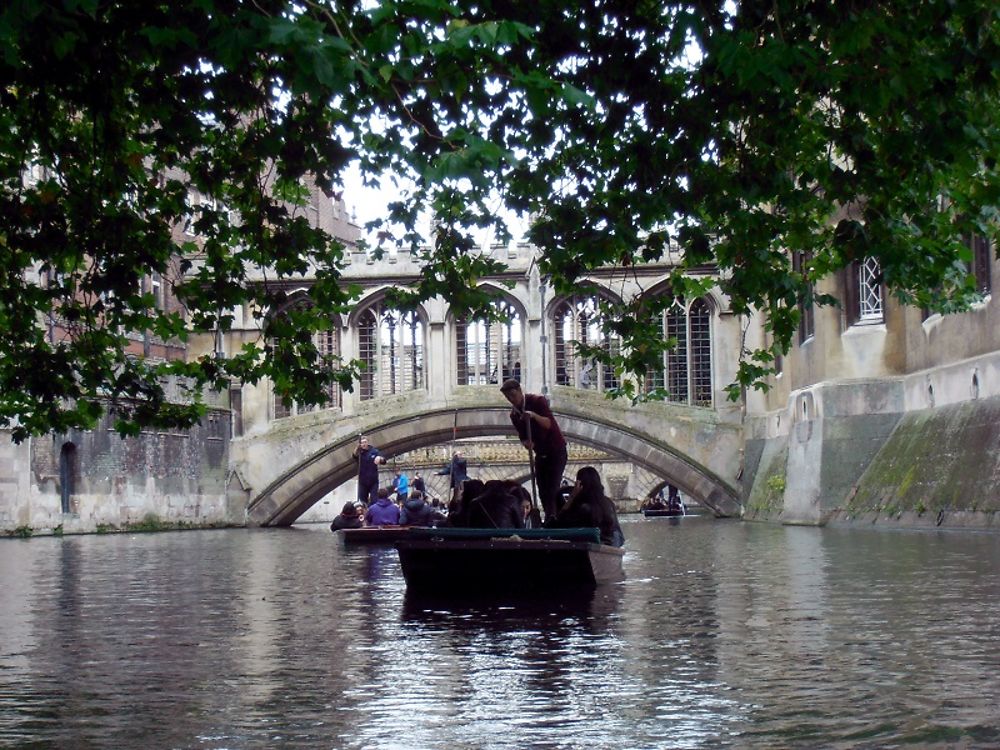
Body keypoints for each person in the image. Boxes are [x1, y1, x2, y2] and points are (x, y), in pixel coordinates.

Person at [499, 379, 567, 521]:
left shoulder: (537, 401)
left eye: (512, 395)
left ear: (519, 391)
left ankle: (555, 518)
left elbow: (549, 424)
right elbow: (523, 436)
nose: (511, 400)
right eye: (507, 397)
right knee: (542, 488)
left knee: (553, 486)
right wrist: (526, 443)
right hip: (540, 453)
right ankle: (549, 517)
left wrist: (534, 416)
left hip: (556, 451)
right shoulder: (514, 415)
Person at [552, 466, 625, 547]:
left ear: (579, 485)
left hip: (588, 548)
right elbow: (619, 535)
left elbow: (558, 524)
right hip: (609, 545)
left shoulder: (581, 507)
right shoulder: (608, 503)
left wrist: (572, 497)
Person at [352, 436, 387, 506]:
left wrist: (380, 458)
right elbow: (354, 455)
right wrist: (357, 448)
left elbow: (384, 461)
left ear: (367, 442)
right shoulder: (359, 453)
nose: (364, 444)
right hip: (362, 481)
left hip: (373, 481)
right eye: (362, 443)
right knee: (362, 502)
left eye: (365, 442)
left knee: (374, 500)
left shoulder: (374, 451)